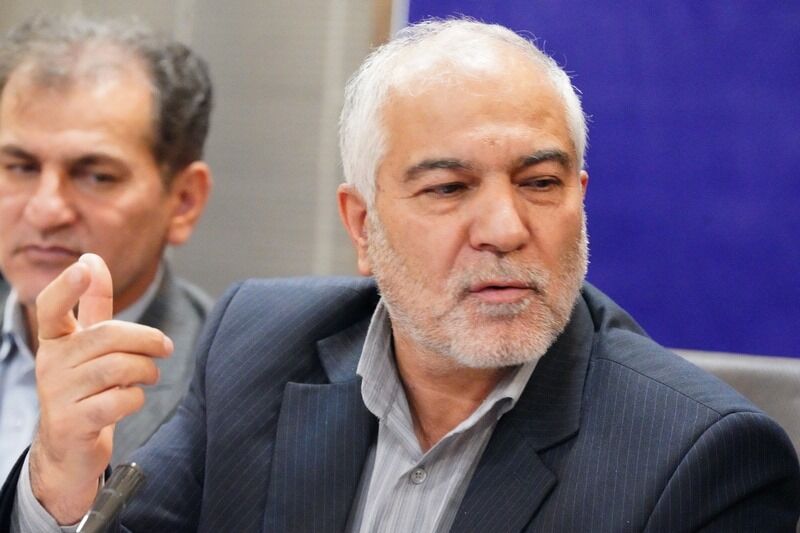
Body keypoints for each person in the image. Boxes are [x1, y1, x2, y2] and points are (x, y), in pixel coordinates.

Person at [5, 18, 800, 532]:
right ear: (361, 225)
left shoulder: (703, 461)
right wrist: (63, 480)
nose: (505, 228)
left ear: (579, 198)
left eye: (539, 182)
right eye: (449, 188)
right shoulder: (257, 345)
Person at [0, 14, 213, 482]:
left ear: (183, 201)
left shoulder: (222, 394)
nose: (45, 211)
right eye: (20, 167)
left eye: (96, 176)